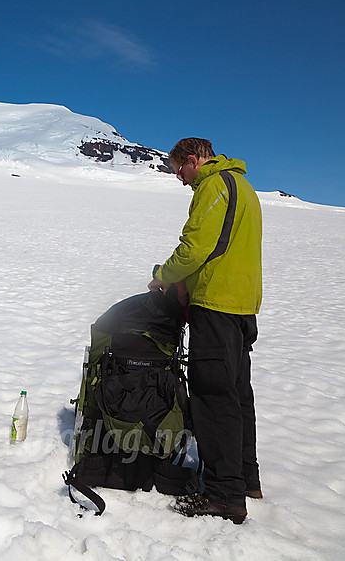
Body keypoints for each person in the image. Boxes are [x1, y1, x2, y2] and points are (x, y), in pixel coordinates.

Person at [147, 137, 262, 524]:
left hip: (216, 303)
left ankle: (223, 494)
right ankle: (246, 478)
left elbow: (195, 247)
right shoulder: (243, 186)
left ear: (193, 161)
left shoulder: (213, 185)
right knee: (237, 395)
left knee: (213, 398)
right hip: (242, 306)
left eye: (179, 170)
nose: (180, 180)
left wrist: (163, 276)